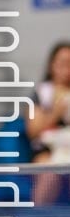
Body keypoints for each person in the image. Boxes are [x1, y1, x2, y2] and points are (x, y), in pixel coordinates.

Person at [26, 41, 70, 204]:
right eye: (63, 63)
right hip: (47, 150)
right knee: (49, 172)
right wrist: (55, 113)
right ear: (52, 65)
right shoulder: (40, 93)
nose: (67, 69)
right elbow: (33, 131)